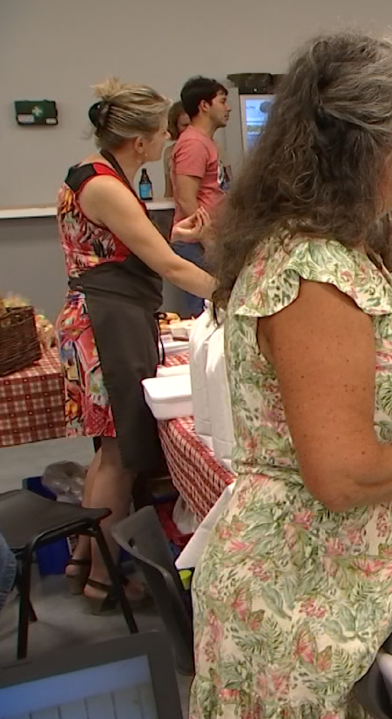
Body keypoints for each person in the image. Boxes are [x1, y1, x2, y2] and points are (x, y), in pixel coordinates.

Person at [190, 31, 392, 718]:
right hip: (292, 608)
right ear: (364, 139)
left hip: (314, 595)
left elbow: (341, 405)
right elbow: (340, 473)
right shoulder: (314, 272)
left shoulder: (337, 253)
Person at [56, 79, 214, 612]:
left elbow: (127, 248)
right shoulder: (105, 185)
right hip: (108, 323)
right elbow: (165, 266)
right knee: (122, 455)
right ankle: (104, 577)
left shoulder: (94, 173)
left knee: (108, 454)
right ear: (142, 140)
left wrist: (181, 237)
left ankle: (83, 559)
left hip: (106, 316)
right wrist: (235, 291)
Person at [170, 76, 229, 317]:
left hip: (207, 239)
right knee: (203, 314)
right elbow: (186, 199)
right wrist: (208, 240)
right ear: (204, 106)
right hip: (197, 243)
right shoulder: (193, 144)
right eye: (222, 101)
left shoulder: (205, 142)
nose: (228, 108)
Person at [161, 101, 189, 199]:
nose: (189, 130)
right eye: (185, 125)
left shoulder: (215, 148)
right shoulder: (169, 153)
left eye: (192, 125)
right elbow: (169, 191)